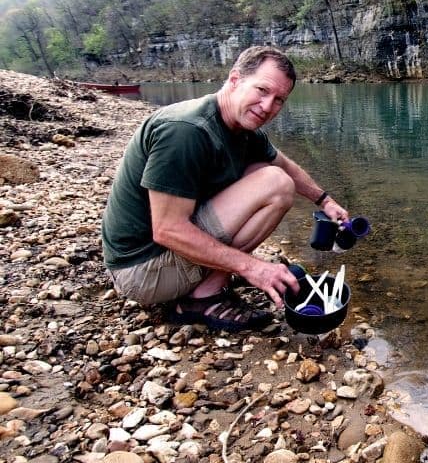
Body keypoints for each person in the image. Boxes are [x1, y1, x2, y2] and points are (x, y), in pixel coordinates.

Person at [101, 46, 348, 331]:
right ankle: (203, 298)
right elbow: (167, 229)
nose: (268, 106)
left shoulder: (240, 127)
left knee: (267, 172)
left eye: (279, 100)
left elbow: (284, 164)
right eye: (262, 90)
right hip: (142, 271)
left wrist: (325, 200)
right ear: (234, 80)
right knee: (276, 185)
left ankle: (212, 275)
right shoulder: (185, 131)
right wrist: (252, 268)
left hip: (159, 255)